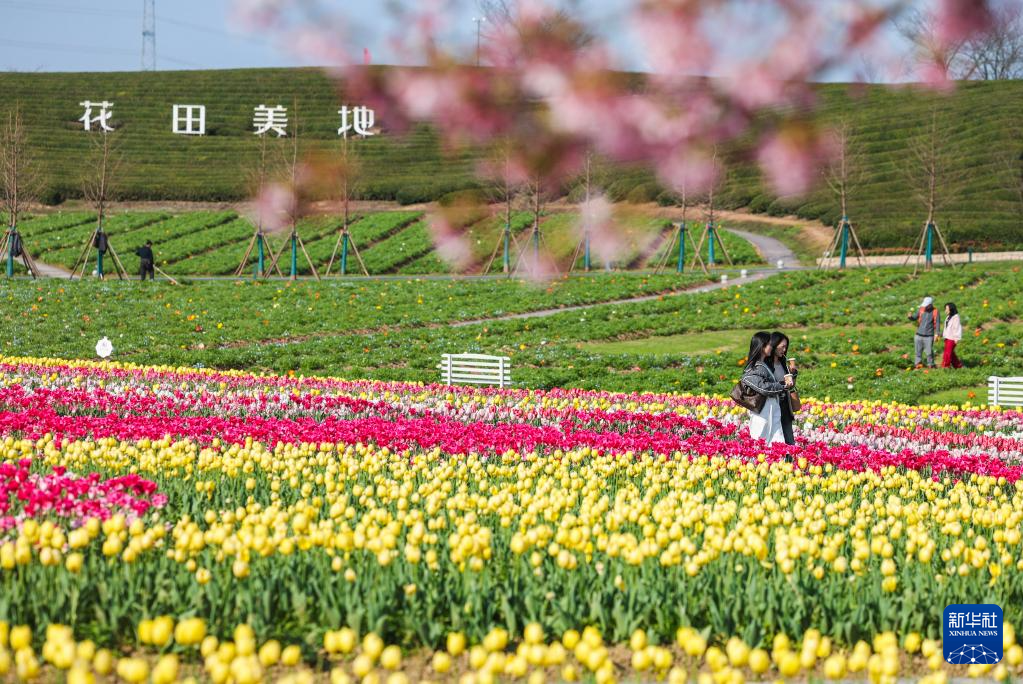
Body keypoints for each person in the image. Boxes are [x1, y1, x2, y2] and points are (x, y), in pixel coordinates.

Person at [741, 331, 791, 445]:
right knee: (760, 440)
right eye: (769, 344)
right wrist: (783, 385)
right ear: (762, 346)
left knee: (776, 441)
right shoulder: (754, 367)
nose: (772, 347)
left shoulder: (763, 364)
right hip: (762, 411)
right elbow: (763, 387)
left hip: (771, 407)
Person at [769, 331, 798, 445]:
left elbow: (791, 386)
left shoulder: (783, 363)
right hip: (772, 407)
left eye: (786, 347)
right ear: (774, 345)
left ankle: (790, 456)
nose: (784, 350)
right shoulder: (765, 365)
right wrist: (781, 384)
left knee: (789, 440)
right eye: (782, 346)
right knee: (775, 441)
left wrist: (793, 374)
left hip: (785, 406)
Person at [908, 296, 938, 368]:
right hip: (918, 334)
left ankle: (930, 365)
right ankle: (918, 364)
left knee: (929, 352)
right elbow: (915, 317)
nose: (924, 306)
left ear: (930, 305)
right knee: (918, 351)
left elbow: (937, 323)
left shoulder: (935, 311)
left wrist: (937, 334)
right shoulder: (921, 309)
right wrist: (910, 317)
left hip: (929, 335)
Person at [941, 302, 964, 369]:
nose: (945, 310)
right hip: (947, 337)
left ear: (951, 309)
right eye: (945, 309)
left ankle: (946, 366)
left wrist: (956, 338)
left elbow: (957, 328)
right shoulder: (949, 317)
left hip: (952, 338)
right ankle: (958, 366)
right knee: (951, 353)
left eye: (947, 309)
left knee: (947, 353)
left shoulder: (956, 317)